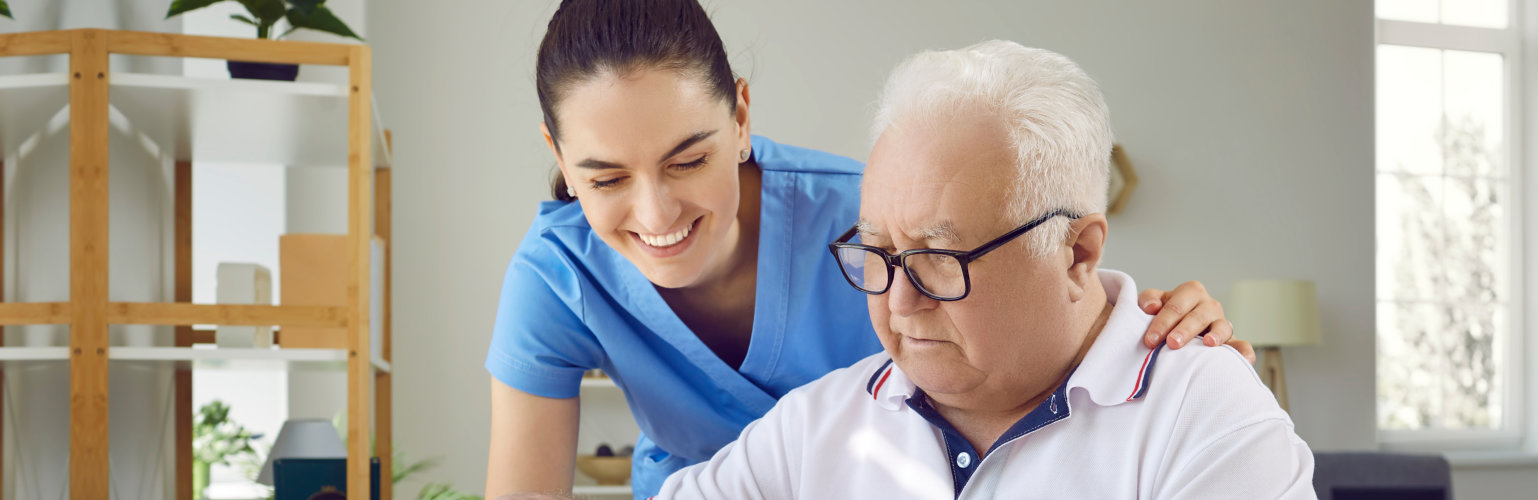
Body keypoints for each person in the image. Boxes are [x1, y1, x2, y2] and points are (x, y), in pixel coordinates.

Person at [484, 1, 1254, 497]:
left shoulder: (872, 218)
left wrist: (1151, 333)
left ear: (742, 116)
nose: (655, 212)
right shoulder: (559, 275)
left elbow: (1035, 290)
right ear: (556, 152)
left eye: (688, 159)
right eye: (606, 176)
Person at [654, 40, 1315, 500]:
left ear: (1077, 252)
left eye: (940, 260)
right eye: (880, 254)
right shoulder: (816, 425)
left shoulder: (1205, 415)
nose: (900, 304)